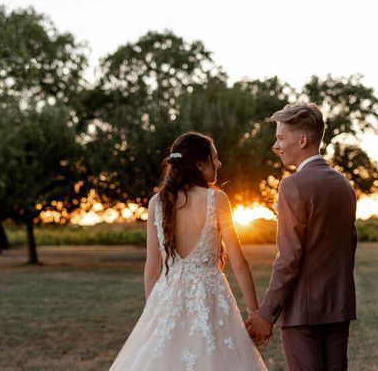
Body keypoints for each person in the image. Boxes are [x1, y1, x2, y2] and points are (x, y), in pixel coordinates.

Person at [110, 131, 268, 371]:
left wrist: (154, 314)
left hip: (167, 296)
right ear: (199, 163)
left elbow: (152, 267)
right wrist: (254, 312)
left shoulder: (157, 203)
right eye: (215, 158)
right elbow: (239, 263)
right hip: (211, 297)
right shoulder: (217, 199)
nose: (219, 164)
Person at [245, 103, 357, 370]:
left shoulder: (292, 185)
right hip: (338, 307)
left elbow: (289, 257)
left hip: (302, 313)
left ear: (302, 139)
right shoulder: (344, 184)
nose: (276, 145)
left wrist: (266, 314)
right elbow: (347, 245)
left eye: (281, 137)